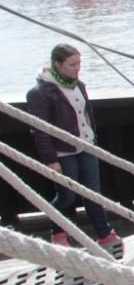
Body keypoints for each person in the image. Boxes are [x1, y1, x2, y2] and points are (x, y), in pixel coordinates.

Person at [26, 44, 120, 247]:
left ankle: (104, 233)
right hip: (63, 152)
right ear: (57, 65)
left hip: (85, 146)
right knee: (67, 196)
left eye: (79, 63)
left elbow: (85, 115)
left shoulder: (78, 84)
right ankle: (58, 233)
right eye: (72, 64)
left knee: (93, 192)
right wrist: (51, 159)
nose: (77, 68)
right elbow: (39, 129)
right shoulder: (40, 93)